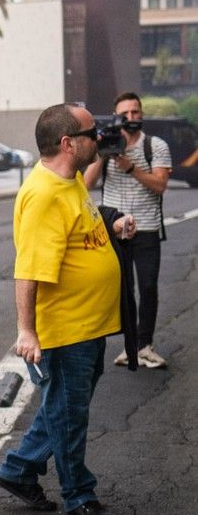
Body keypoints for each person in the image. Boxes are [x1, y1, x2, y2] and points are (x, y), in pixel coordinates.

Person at [0, 103, 134, 515]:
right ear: (68, 143)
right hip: (66, 330)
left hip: (88, 325)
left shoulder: (70, 182)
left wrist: (110, 226)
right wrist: (27, 332)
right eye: (92, 134)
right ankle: (79, 495)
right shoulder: (43, 195)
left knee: (62, 408)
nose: (101, 139)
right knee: (70, 414)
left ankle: (19, 470)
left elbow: (79, 234)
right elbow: (29, 270)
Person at [82, 91, 171, 369]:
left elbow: (159, 184)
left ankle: (145, 345)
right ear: (116, 116)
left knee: (147, 287)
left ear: (141, 115)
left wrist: (130, 166)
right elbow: (86, 185)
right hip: (115, 229)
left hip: (146, 228)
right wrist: (102, 153)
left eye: (135, 113)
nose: (131, 118)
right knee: (123, 290)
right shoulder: (106, 144)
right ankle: (129, 347)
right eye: (125, 114)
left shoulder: (155, 146)